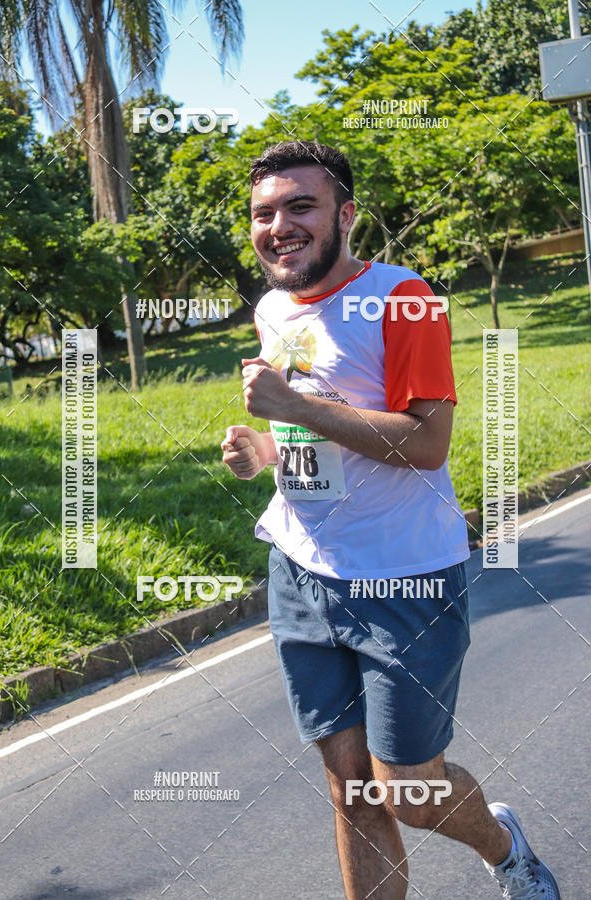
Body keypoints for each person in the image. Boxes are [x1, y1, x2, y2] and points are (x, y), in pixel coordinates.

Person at [221, 141, 561, 899]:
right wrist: (268, 450)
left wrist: (295, 407)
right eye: (264, 212)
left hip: (403, 577)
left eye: (300, 206)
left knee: (407, 787)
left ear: (346, 215)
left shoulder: (403, 298)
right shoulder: (271, 308)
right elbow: (317, 429)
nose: (279, 225)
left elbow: (426, 442)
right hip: (301, 569)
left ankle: (506, 848)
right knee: (349, 789)